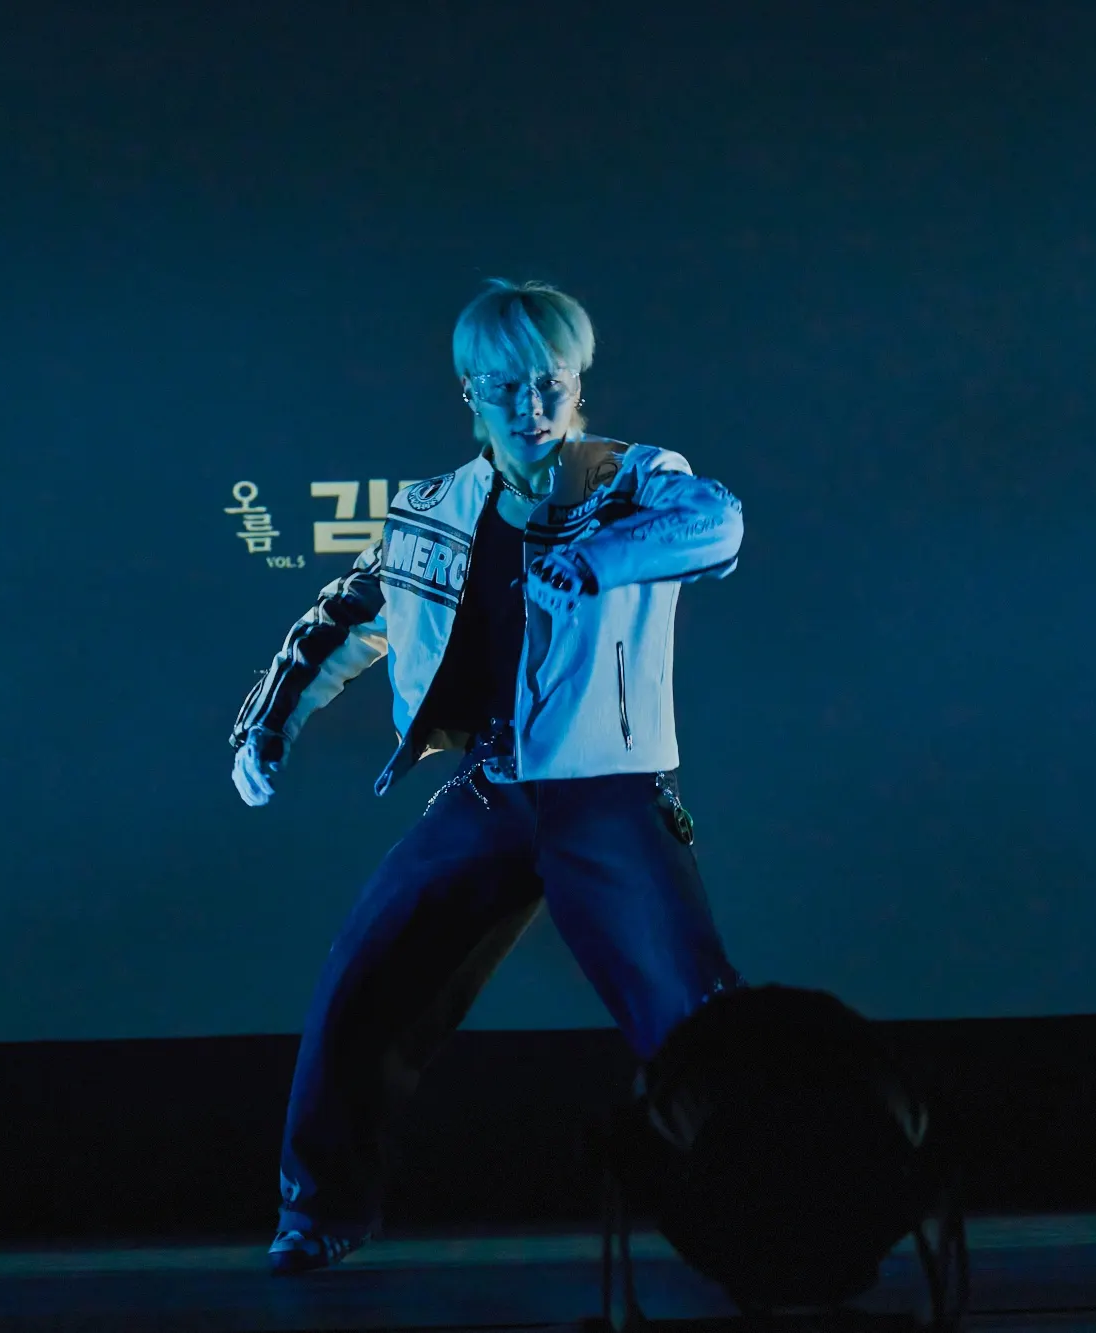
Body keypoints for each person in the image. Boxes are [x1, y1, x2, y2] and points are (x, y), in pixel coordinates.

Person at [229, 278, 747, 1275]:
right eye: (507, 386)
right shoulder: (434, 512)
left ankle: (761, 1203)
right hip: (491, 792)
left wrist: (597, 559)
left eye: (551, 382)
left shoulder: (635, 478)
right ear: (471, 391)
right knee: (363, 982)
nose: (532, 405)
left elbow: (715, 525)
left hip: (608, 793)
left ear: (577, 380)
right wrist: (270, 722)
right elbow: (349, 615)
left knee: (691, 1014)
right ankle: (318, 1210)